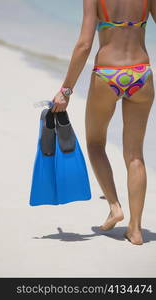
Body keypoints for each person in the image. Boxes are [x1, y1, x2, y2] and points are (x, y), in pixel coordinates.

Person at [51, 0, 155, 245]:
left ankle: (115, 206)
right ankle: (136, 230)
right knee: (135, 156)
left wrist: (65, 90)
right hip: (141, 73)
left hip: (108, 74)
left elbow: (84, 44)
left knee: (96, 144)